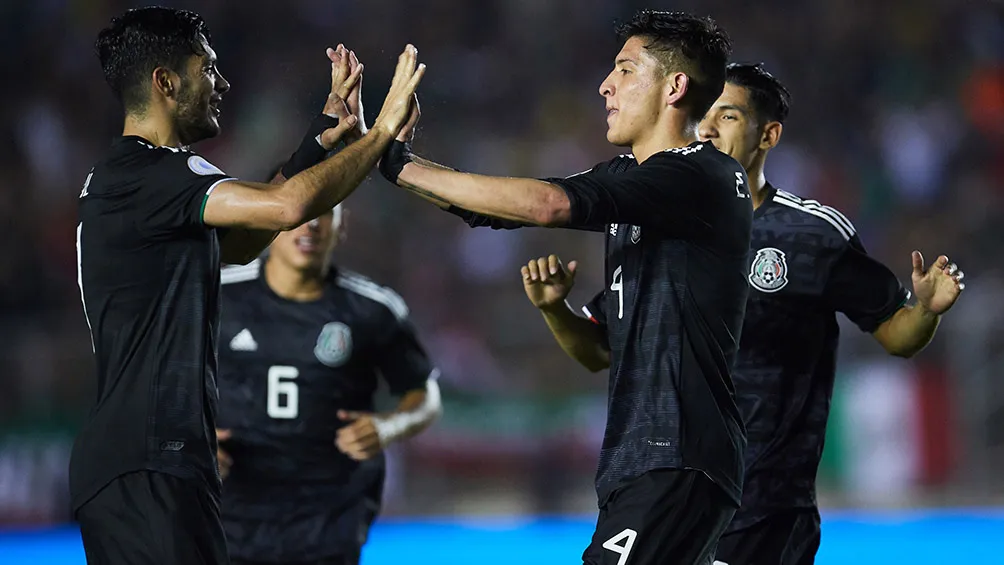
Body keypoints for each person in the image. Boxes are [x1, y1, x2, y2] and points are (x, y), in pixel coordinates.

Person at [519, 63, 967, 565]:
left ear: (768, 135)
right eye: (702, 116)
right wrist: (554, 309)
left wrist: (926, 309)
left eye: (727, 116)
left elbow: (896, 335)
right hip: (669, 498)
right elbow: (600, 351)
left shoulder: (811, 234)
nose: (707, 129)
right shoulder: (662, 226)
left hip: (765, 515)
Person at [379, 10, 751, 565]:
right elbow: (597, 350)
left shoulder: (701, 175)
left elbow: (547, 204)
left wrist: (392, 161)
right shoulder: (638, 184)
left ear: (674, 87)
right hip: (644, 459)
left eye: (625, 69)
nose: (605, 85)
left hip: (675, 454)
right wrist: (556, 310)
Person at [72, 6, 424, 564]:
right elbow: (286, 208)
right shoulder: (153, 174)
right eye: (208, 68)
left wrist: (319, 141)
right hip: (147, 462)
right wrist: (381, 134)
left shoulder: (142, 178)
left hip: (158, 463)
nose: (222, 83)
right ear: (166, 82)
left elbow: (240, 242)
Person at [215, 189, 442, 565]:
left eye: (324, 212)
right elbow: (154, 381)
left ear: (342, 225)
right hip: (227, 512)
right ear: (267, 218)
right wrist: (188, 443)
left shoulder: (373, 309)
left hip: (329, 518)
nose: (310, 225)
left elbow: (424, 395)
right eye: (300, 211)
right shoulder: (213, 295)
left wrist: (388, 427)